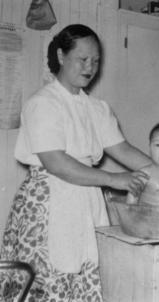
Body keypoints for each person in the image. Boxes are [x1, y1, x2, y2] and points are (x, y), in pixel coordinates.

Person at [0, 24, 150, 302]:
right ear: (61, 55)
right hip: (47, 203)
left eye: (95, 61)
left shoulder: (96, 108)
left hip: (86, 204)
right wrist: (114, 179)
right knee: (47, 283)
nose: (90, 67)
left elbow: (122, 148)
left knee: (83, 279)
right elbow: (56, 162)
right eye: (83, 59)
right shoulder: (43, 103)